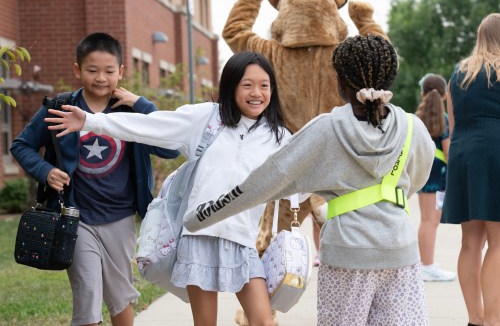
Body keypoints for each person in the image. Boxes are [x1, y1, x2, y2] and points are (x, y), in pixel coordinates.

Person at [182, 35, 435, 325]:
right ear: (390, 78)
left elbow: (262, 183)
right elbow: (416, 180)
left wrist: (200, 217)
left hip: (347, 256)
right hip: (401, 251)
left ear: (340, 82)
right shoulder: (414, 129)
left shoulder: (326, 130)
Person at [44, 51, 291, 326]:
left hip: (241, 240)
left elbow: (301, 176)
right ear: (231, 86)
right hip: (199, 238)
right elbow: (149, 126)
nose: (256, 92)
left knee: (263, 321)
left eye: (264, 85)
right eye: (247, 85)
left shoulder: (278, 137)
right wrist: (91, 121)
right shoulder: (207, 118)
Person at [10, 32, 179, 326]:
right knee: (87, 293)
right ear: (77, 70)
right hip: (76, 218)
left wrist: (142, 104)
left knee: (120, 295)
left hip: (120, 218)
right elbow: (20, 145)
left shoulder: (130, 111)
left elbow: (170, 146)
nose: (101, 78)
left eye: (109, 71)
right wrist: (45, 171)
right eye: (92, 70)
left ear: (121, 72)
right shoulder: (60, 107)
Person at [441, 13, 500, 326]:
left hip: (464, 154)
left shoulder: (459, 73)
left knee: (470, 243)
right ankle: (494, 319)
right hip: (496, 151)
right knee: (499, 242)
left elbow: (453, 120)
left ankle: (476, 318)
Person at [415, 73, 456, 282]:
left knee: (425, 221)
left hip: (423, 176)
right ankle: (428, 266)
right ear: (444, 95)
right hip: (439, 179)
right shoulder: (444, 120)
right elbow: (448, 151)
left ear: (423, 93)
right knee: (432, 222)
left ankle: (424, 263)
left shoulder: (418, 117)